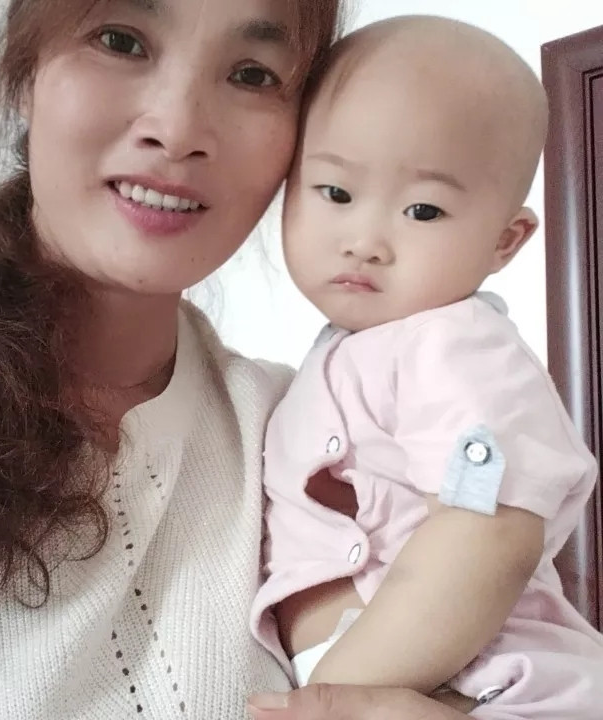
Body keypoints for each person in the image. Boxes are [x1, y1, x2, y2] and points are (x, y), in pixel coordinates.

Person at [0, 1, 479, 718]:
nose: (178, 129)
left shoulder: (325, 443)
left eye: (253, 74)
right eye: (120, 40)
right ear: (25, 74)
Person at [251, 14, 603, 719]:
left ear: (505, 241)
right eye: (336, 193)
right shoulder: (349, 351)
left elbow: (487, 534)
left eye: (422, 210)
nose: (366, 240)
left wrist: (331, 695)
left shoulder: (457, 347)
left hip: (490, 684)